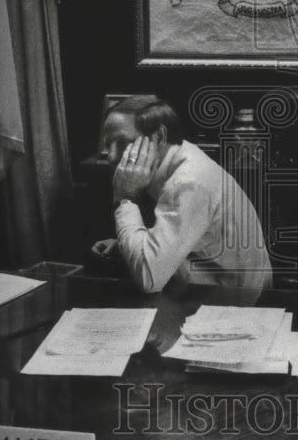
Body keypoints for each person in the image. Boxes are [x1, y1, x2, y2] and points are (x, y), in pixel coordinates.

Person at [91, 95, 272, 301]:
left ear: (158, 136)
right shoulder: (177, 155)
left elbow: (149, 278)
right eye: (108, 145)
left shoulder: (188, 182)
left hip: (230, 300)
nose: (112, 156)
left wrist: (125, 198)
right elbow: (179, 235)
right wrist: (125, 244)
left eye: (124, 143)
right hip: (203, 283)